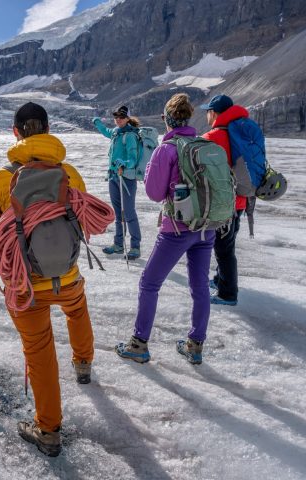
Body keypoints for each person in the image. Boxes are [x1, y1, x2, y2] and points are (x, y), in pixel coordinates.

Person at [0, 102, 95, 457]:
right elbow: (83, 223)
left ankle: (48, 430)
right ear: (46, 129)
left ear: (16, 132)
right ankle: (84, 362)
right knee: (77, 309)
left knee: (39, 353)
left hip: (24, 287)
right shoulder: (69, 173)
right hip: (67, 275)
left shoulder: (0, 180)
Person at [114, 93, 215, 365]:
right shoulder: (202, 145)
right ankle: (195, 345)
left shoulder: (167, 149)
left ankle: (139, 343)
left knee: (149, 283)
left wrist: (150, 173)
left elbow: (155, 193)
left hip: (177, 229)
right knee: (200, 287)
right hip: (206, 228)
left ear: (167, 119)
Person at [201, 94, 248, 306]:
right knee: (228, 242)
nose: (206, 115)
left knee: (223, 249)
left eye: (208, 111)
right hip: (241, 199)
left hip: (223, 203)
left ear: (214, 113)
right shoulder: (241, 133)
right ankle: (221, 279)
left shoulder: (213, 137)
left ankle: (228, 293)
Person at [92, 105, 142, 260]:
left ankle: (135, 246)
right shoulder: (115, 133)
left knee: (128, 212)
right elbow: (106, 132)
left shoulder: (130, 136)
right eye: (116, 117)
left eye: (121, 117)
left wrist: (124, 163)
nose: (118, 120)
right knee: (118, 212)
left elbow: (133, 158)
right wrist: (97, 122)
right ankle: (119, 244)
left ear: (127, 118)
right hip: (114, 177)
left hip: (126, 178)